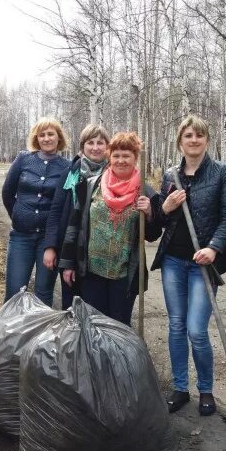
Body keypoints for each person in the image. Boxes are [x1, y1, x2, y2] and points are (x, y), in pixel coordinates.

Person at [152, 115, 226, 416]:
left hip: (203, 263)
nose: (193, 140)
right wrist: (165, 207)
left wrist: (214, 248)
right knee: (176, 326)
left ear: (207, 140)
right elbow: (159, 221)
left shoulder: (222, 174)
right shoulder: (170, 175)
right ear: (180, 141)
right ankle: (180, 388)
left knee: (196, 330)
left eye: (199, 135)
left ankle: (206, 390)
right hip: (174, 261)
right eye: (188, 135)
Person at [59, 132, 161, 325]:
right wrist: (68, 263)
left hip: (124, 274)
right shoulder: (90, 186)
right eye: (116, 155)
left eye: (126, 156)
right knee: (93, 325)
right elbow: (74, 226)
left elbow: (153, 235)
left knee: (119, 325)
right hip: (91, 272)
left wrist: (149, 214)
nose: (121, 160)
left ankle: (119, 356)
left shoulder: (145, 192)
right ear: (109, 156)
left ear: (135, 158)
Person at [2, 118, 71, 306]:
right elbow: (8, 193)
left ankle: (41, 335)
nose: (46, 138)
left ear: (59, 138)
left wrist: (54, 240)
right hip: (21, 237)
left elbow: (65, 205)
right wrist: (18, 215)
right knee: (15, 292)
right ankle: (12, 334)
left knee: (43, 293)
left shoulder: (67, 167)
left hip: (48, 241)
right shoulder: (23, 159)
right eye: (42, 135)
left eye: (51, 134)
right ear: (36, 139)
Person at [42, 123, 111, 309]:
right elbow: (55, 212)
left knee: (96, 310)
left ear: (108, 147)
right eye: (90, 142)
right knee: (71, 309)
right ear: (82, 147)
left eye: (100, 142)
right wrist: (50, 247)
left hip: (101, 254)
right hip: (70, 251)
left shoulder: (114, 174)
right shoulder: (70, 174)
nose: (95, 147)